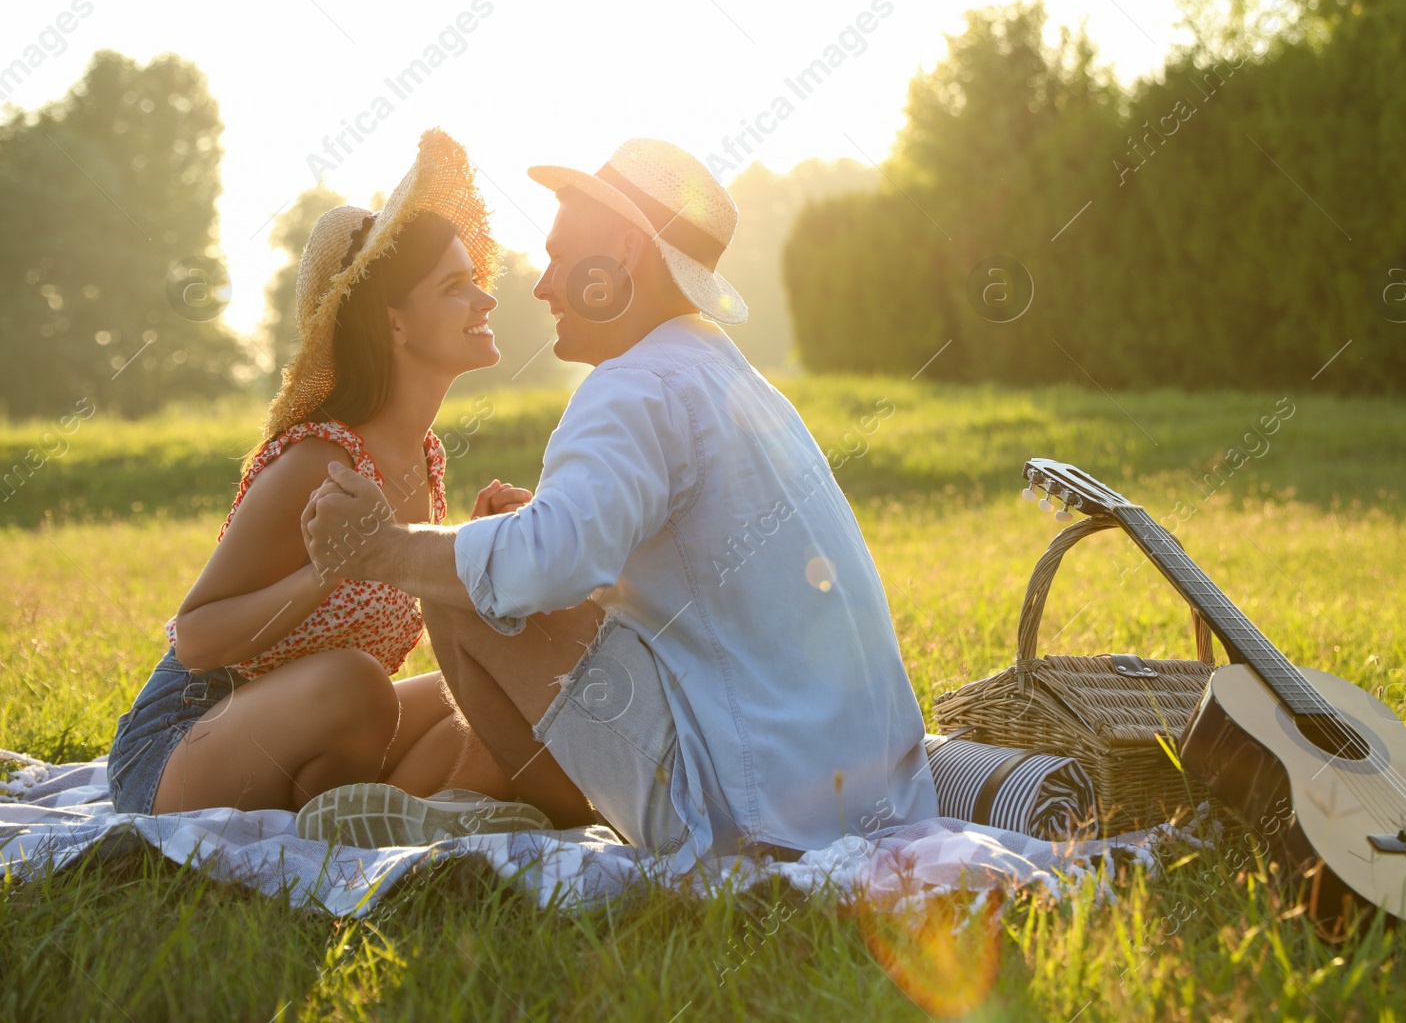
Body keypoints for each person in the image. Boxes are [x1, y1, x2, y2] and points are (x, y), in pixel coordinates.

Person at [301, 138, 938, 866]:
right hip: (850, 795)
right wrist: (542, 522)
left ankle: (508, 812)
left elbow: (549, 564)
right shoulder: (722, 378)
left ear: (626, 254)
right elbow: (674, 567)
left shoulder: (635, 385)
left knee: (457, 586)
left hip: (752, 813)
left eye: (564, 257)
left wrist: (383, 548)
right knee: (485, 560)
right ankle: (495, 803)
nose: (543, 287)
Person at [106, 129, 548, 837]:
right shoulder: (319, 462)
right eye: (455, 286)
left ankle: (384, 818)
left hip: (322, 732)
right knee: (356, 684)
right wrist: (327, 570)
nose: (486, 301)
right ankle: (376, 811)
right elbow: (194, 637)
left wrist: (469, 547)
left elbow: (399, 594)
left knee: (500, 688)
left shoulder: (424, 458)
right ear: (395, 323)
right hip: (184, 741)